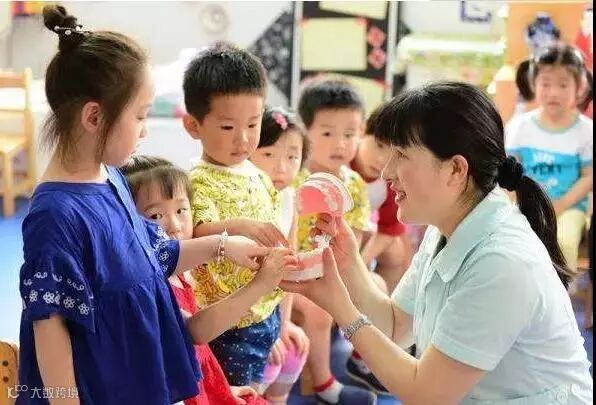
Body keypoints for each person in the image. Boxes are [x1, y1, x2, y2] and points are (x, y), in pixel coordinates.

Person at [283, 81, 593, 404]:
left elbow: (426, 394)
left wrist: (340, 307)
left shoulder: (502, 262)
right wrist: (348, 262)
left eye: (401, 154)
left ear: (456, 169)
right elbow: (395, 326)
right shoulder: (446, 227)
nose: (387, 172)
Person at [18, 7, 268, 404]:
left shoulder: (111, 177)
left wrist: (223, 246)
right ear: (94, 117)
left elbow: (154, 257)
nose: (146, 129)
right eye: (140, 116)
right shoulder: (55, 214)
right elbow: (50, 327)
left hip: (134, 379)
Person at [122, 156, 296, 405]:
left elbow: (199, 352)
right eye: (156, 215)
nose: (174, 226)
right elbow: (196, 332)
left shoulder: (181, 272)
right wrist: (260, 284)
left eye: (181, 210)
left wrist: (221, 387)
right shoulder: (148, 283)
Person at [182, 42, 291, 391]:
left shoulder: (257, 173)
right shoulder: (197, 180)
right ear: (193, 125)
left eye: (253, 124)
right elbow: (196, 232)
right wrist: (240, 227)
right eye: (228, 127)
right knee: (236, 392)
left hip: (266, 309)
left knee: (263, 386)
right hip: (230, 321)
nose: (243, 140)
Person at [293, 78, 375, 404]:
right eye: (327, 133)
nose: (340, 144)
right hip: (296, 274)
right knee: (318, 310)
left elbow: (356, 240)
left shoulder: (354, 184)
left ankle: (362, 359)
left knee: (378, 287)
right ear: (305, 132)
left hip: (337, 268)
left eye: (350, 134)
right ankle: (325, 384)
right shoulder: (295, 179)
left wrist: (349, 276)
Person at [506, 44, 593, 275]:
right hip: (524, 207)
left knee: (563, 243)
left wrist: (561, 204)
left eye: (563, 85)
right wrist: (518, 205)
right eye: (546, 84)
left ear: (579, 87)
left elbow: (589, 176)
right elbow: (507, 175)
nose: (553, 92)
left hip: (568, 209)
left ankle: (559, 294)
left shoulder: (586, 131)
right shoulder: (519, 127)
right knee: (513, 243)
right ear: (533, 83)